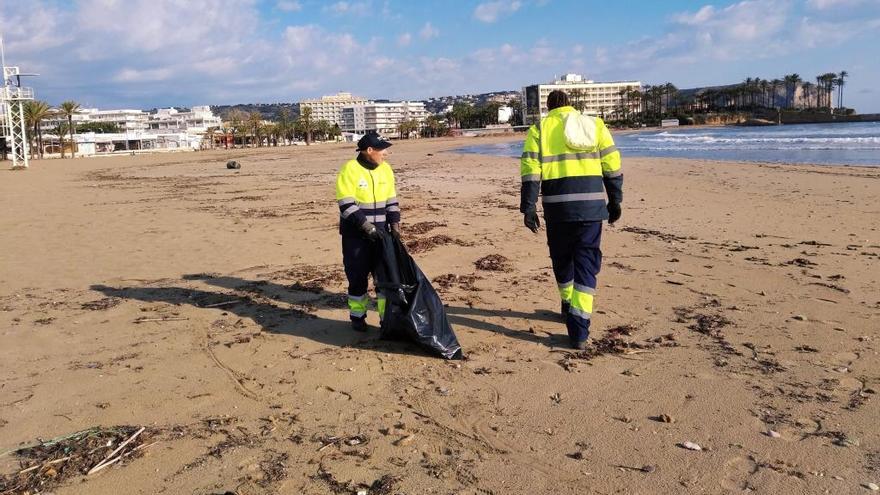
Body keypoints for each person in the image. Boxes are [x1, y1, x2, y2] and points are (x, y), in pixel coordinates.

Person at [519, 90, 623, 349]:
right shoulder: (594, 124)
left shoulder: (540, 129)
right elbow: (612, 164)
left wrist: (528, 208)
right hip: (590, 209)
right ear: (570, 105)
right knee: (586, 262)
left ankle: (567, 303)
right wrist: (615, 200)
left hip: (557, 210)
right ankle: (578, 330)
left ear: (550, 106)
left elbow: (530, 171)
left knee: (562, 257)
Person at [335, 132, 401, 332]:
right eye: (382, 149)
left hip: (381, 234)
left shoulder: (386, 170)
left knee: (383, 279)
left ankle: (385, 318)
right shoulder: (350, 169)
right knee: (357, 277)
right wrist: (366, 227)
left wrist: (395, 225)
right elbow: (346, 203)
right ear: (369, 150)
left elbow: (391, 199)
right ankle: (357, 317)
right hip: (356, 236)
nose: (386, 153)